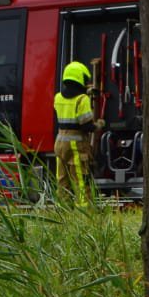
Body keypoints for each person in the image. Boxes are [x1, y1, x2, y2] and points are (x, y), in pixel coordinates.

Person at [53, 60, 99, 203]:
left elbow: (70, 100)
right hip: (76, 145)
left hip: (59, 144)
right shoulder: (82, 99)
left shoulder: (58, 97)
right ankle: (84, 212)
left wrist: (87, 92)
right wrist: (99, 125)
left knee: (62, 182)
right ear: (80, 78)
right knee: (81, 182)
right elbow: (86, 126)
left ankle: (63, 211)